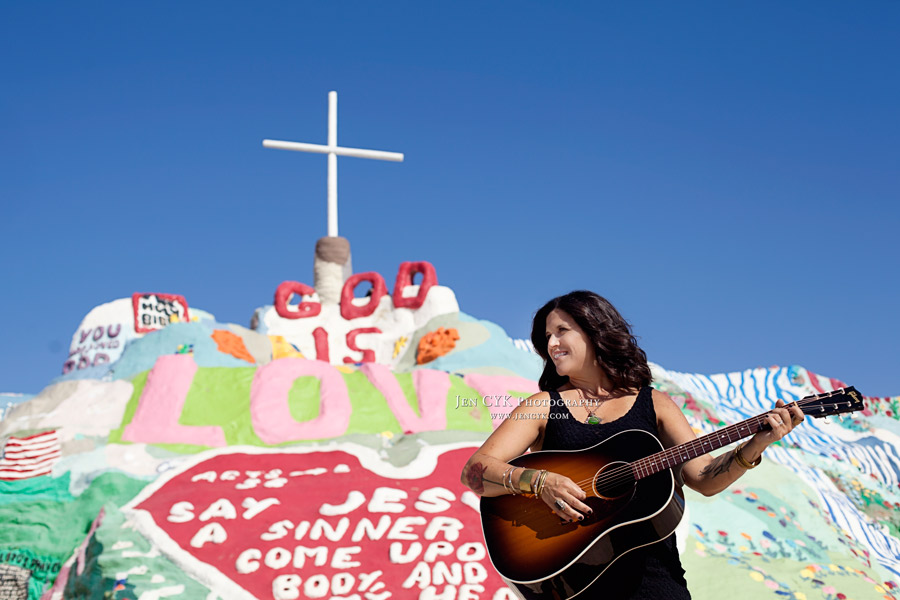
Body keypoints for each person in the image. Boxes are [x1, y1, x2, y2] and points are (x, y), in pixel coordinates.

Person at [460, 290, 805, 599]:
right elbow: (475, 471)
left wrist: (756, 444)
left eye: (561, 331)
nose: (551, 344)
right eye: (546, 336)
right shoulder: (543, 406)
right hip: (572, 584)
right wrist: (538, 481)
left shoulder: (656, 404)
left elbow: (704, 478)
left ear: (595, 329)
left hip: (655, 582)